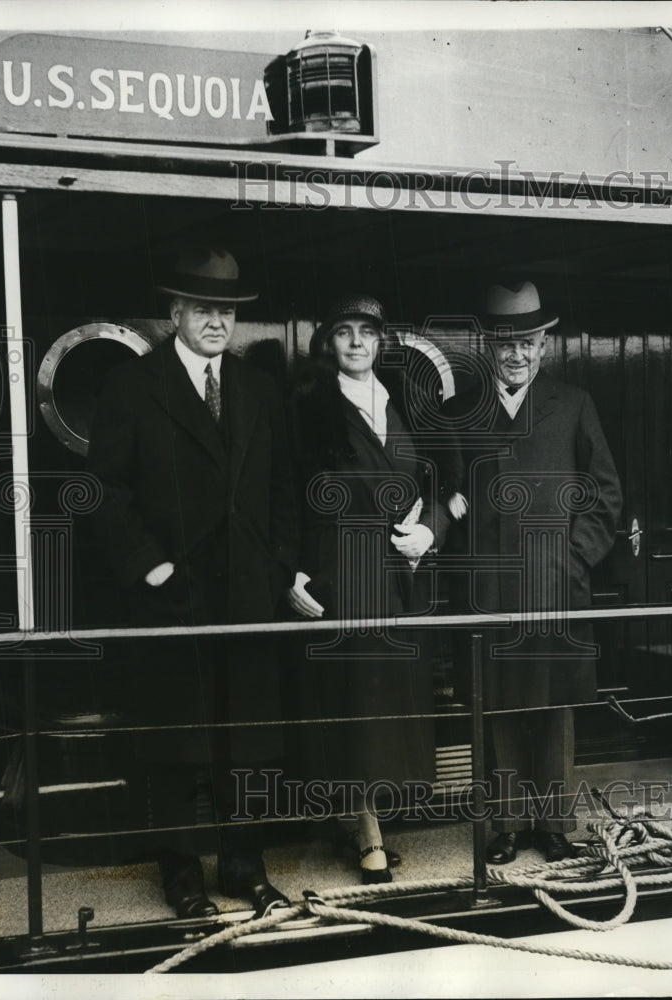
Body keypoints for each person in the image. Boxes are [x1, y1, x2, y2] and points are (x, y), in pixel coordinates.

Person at [87, 247, 298, 918]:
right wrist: (149, 565)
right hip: (170, 597)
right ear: (174, 313)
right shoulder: (131, 387)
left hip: (248, 597)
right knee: (176, 742)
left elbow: (285, 490)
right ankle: (180, 875)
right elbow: (103, 490)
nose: (216, 321)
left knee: (249, 740)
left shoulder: (259, 389)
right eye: (203, 308)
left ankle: (243, 866)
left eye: (226, 311)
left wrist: (279, 567)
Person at [441, 279, 622, 865]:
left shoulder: (573, 404)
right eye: (505, 343)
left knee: (553, 706)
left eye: (529, 343)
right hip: (491, 591)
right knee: (498, 706)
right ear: (488, 345)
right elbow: (445, 495)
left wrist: (572, 561)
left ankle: (554, 826)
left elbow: (606, 495)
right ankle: (507, 826)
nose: (517, 354)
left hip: (556, 586)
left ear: (545, 345)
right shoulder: (460, 412)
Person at [286, 294, 446, 883]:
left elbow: (441, 478)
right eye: (344, 332)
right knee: (355, 701)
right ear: (329, 342)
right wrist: (295, 569)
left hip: (401, 575)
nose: (356, 342)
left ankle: (355, 822)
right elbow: (286, 493)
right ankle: (369, 835)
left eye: (367, 333)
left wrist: (429, 531)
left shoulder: (405, 400)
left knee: (389, 702)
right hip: (341, 569)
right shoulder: (309, 406)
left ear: (381, 342)